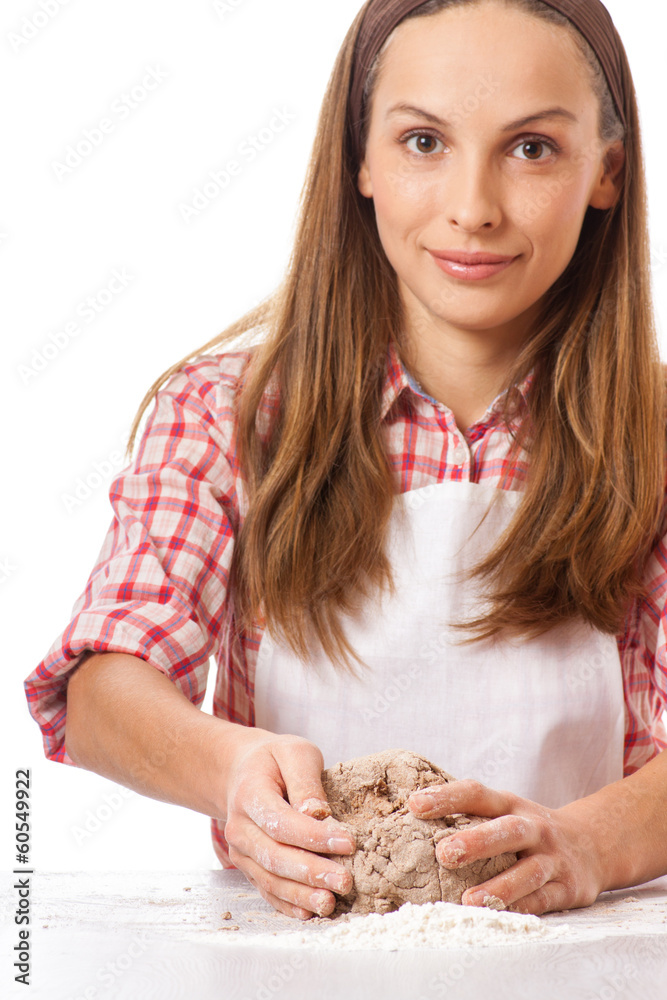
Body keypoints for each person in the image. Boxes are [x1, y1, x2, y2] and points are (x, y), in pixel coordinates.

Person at [24, 0, 667, 923]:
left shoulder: (653, 440)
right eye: (422, 142)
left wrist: (592, 844)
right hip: (294, 960)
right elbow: (102, 685)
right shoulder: (227, 417)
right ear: (358, 158)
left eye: (530, 148)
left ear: (604, 171)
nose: (472, 208)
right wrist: (228, 773)